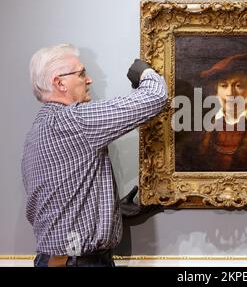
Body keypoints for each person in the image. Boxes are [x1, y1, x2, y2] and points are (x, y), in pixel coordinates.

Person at [22, 44, 168, 267]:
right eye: (81, 73)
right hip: (77, 262)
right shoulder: (74, 121)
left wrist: (108, 211)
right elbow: (156, 96)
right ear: (59, 82)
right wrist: (145, 72)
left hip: (58, 259)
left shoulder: (39, 129)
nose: (88, 80)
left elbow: (61, 195)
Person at [176, 53, 247, 171]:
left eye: (238, 85)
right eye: (224, 85)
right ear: (216, 92)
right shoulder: (203, 127)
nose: (230, 93)